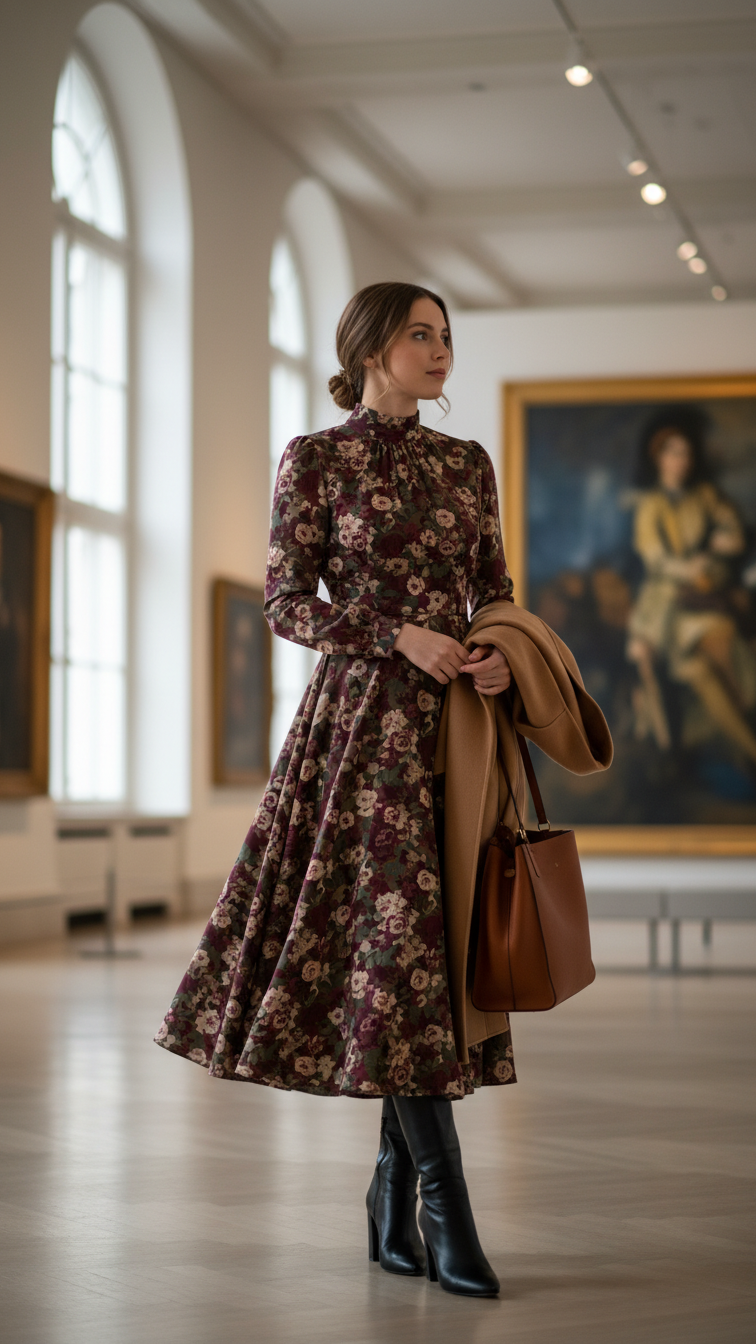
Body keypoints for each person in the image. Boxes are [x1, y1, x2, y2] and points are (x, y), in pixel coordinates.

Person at [155, 282, 516, 1297]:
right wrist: (396, 633)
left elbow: (495, 590)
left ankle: (389, 1193)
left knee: (428, 965)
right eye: (420, 335)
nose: (440, 351)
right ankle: (443, 1208)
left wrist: (495, 651)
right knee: (394, 959)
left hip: (458, 733)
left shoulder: (467, 463)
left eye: (446, 336)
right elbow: (284, 601)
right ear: (368, 349)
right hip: (357, 736)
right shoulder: (314, 458)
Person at [627, 419, 756, 760]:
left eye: (686, 454)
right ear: (659, 457)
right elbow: (654, 558)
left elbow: (735, 534)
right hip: (665, 602)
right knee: (702, 655)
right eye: (673, 453)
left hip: (706, 592)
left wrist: (723, 542)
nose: (680, 461)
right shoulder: (650, 505)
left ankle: (745, 733)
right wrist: (688, 568)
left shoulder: (705, 496)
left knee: (724, 642)